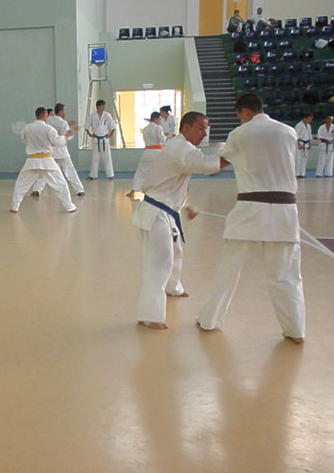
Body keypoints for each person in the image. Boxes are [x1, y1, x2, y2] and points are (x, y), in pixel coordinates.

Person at [197, 93, 305, 344]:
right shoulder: (288, 132)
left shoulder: (240, 134)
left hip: (250, 208)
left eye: (239, 116)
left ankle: (209, 321)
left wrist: (189, 163)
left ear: (244, 112)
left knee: (229, 268)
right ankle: (296, 330)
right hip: (285, 211)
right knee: (286, 274)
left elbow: (218, 164)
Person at [133, 111, 220, 329]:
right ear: (186, 127)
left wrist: (186, 205)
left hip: (165, 211)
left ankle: (173, 288)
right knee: (159, 263)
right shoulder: (180, 148)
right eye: (200, 128)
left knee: (176, 252)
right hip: (156, 213)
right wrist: (232, 154)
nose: (204, 133)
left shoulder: (181, 147)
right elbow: (206, 165)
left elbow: (171, 184)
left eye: (206, 129)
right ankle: (150, 316)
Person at [10, 107, 78, 213]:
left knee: (21, 184)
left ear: (36, 115)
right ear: (45, 116)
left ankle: (15, 206)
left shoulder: (27, 128)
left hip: (32, 161)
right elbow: (58, 142)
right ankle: (69, 206)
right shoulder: (48, 129)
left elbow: (24, 140)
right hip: (47, 161)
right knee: (61, 184)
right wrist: (66, 136)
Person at [30, 103, 84, 198]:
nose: (65, 112)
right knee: (70, 171)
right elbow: (67, 136)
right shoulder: (63, 123)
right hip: (62, 151)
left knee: (44, 171)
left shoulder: (48, 120)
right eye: (64, 110)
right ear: (61, 111)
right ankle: (79, 190)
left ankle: (36, 190)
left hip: (51, 151)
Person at [127, 111, 166, 198]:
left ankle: (133, 191)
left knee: (140, 172)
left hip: (147, 152)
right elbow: (163, 140)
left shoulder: (145, 129)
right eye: (159, 119)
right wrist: (169, 137)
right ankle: (157, 191)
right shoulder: (158, 128)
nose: (160, 121)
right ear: (155, 119)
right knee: (158, 172)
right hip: (157, 152)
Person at [85, 99, 116, 180]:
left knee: (107, 158)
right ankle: (92, 175)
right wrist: (90, 134)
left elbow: (113, 126)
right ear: (98, 107)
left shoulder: (107, 115)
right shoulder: (92, 116)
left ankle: (110, 175)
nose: (103, 107)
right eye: (102, 106)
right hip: (96, 140)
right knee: (94, 159)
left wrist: (110, 135)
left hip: (104, 139)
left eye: (104, 106)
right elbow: (86, 126)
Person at [294, 112, 313, 178]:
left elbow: (309, 136)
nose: (310, 121)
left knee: (305, 159)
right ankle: (297, 174)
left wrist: (309, 144)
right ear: (305, 118)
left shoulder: (309, 126)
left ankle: (302, 173)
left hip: (306, 144)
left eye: (311, 119)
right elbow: (295, 135)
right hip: (299, 144)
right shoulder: (299, 125)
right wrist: (298, 143)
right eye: (309, 119)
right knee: (298, 159)